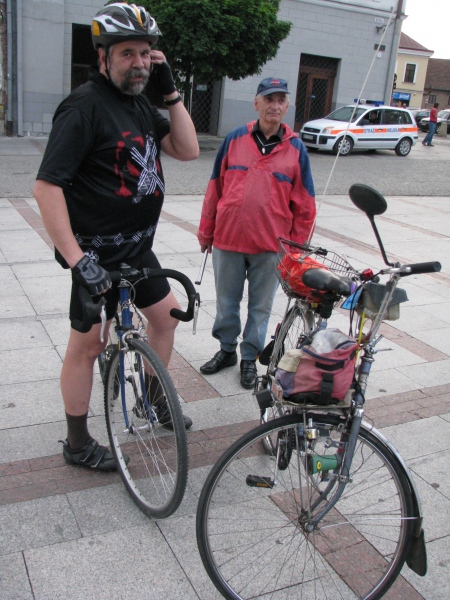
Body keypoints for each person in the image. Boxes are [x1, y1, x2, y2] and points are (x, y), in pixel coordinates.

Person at [33, 3, 199, 471]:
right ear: (103, 57)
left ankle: (151, 399)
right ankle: (77, 443)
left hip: (138, 249)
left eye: (146, 53)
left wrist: (171, 93)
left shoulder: (142, 104)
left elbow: (187, 149)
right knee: (88, 345)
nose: (139, 63)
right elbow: (47, 187)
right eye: (128, 54)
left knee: (166, 319)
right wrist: (76, 260)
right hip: (95, 255)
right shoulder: (83, 107)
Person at [197, 77, 316, 390]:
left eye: (280, 100)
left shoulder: (296, 149)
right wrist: (206, 229)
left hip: (270, 246)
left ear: (287, 106)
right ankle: (226, 351)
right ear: (256, 103)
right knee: (226, 302)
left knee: (260, 307)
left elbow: (305, 204)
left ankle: (249, 357)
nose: (274, 105)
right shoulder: (235, 139)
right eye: (269, 99)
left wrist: (296, 250)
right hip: (228, 239)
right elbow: (215, 187)